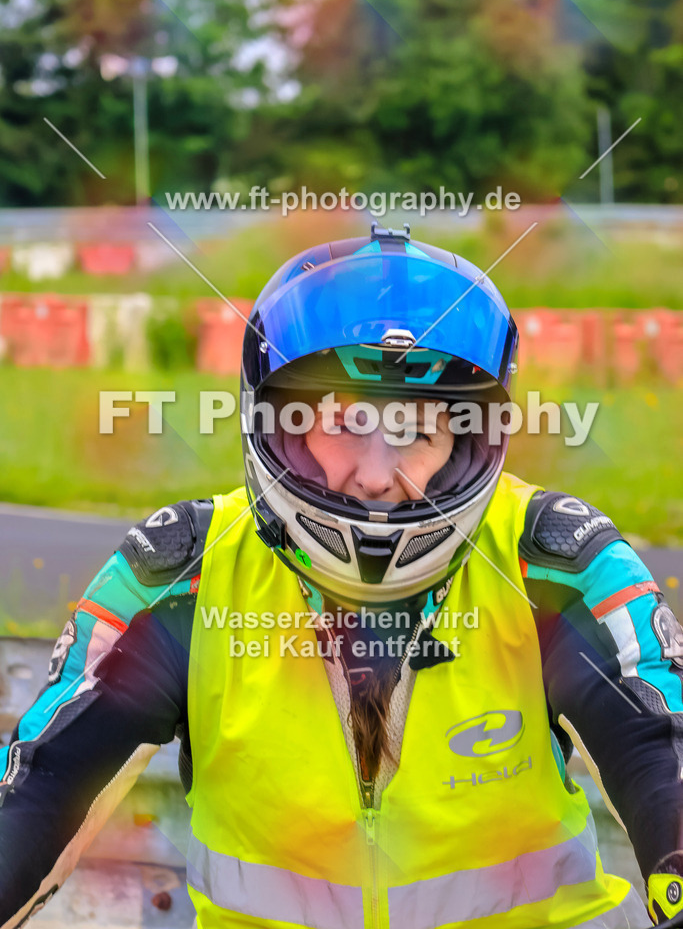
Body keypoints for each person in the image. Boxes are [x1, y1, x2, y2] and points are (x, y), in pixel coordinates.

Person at [1, 223, 683, 929]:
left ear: (469, 441)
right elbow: (39, 788)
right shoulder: (182, 576)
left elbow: (663, 748)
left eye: (416, 432)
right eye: (346, 424)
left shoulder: (557, 562)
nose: (377, 476)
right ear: (279, 425)